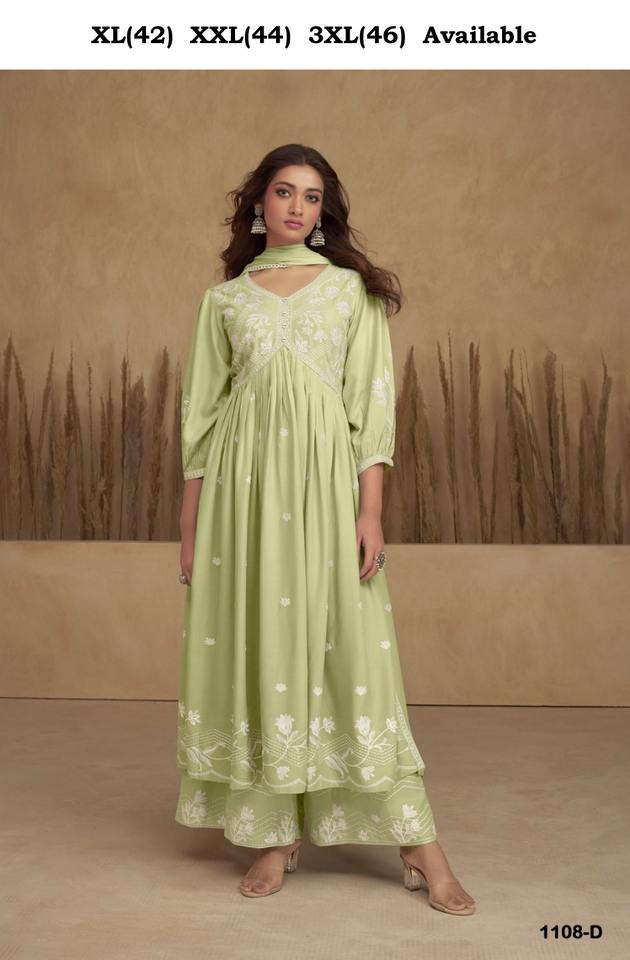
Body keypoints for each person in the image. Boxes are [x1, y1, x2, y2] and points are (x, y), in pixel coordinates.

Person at [175, 143, 476, 915]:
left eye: (312, 197)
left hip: (325, 489)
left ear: (324, 211)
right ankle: (275, 833)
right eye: (285, 192)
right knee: (263, 645)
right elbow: (201, 418)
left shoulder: (349, 292)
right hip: (242, 498)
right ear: (259, 202)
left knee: (350, 648)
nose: (298, 207)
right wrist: (190, 522)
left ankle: (418, 842)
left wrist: (369, 511)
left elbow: (371, 407)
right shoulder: (225, 302)